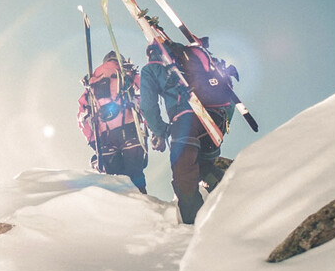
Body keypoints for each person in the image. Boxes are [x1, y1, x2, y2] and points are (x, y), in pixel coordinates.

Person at [140, 40, 236, 224]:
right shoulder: (189, 60)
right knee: (203, 167)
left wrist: (161, 130)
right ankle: (235, 200)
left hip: (186, 122)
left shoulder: (152, 68)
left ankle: (196, 229)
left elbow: (148, 106)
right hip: (215, 121)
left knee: (184, 176)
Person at [77, 51, 149, 193]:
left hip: (105, 140)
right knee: (136, 180)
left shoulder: (93, 83)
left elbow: (83, 116)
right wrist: (148, 128)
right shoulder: (127, 75)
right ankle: (142, 208)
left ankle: (120, 211)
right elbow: (146, 100)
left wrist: (92, 140)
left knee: (116, 185)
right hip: (130, 133)